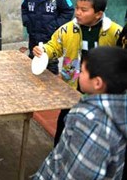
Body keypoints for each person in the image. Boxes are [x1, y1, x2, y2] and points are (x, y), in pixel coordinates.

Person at [32, 0, 122, 146]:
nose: (78, 13)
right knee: (65, 124)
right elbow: (54, 46)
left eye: (84, 10)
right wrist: (44, 51)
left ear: (98, 14)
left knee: (94, 131)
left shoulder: (115, 32)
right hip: (72, 88)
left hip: (102, 92)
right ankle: (58, 150)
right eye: (77, 8)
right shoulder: (67, 29)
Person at [33, 46, 127, 179]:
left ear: (97, 83)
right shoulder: (119, 109)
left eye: (82, 71)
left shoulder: (91, 122)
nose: (78, 73)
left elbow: (80, 174)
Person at [21, 0, 74, 74]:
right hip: (34, 34)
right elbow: (24, 8)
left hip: (50, 36)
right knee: (33, 58)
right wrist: (27, 22)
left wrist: (55, 25)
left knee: (50, 62)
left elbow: (68, 11)